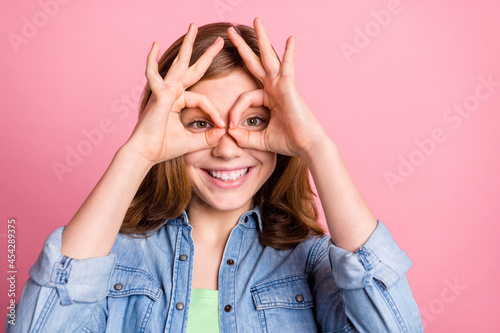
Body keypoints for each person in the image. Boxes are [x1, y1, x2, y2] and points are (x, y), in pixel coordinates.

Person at [7, 17, 423, 332]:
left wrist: (317, 146)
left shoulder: (313, 261)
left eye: (254, 122)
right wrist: (138, 152)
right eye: (201, 124)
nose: (226, 148)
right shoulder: (111, 256)